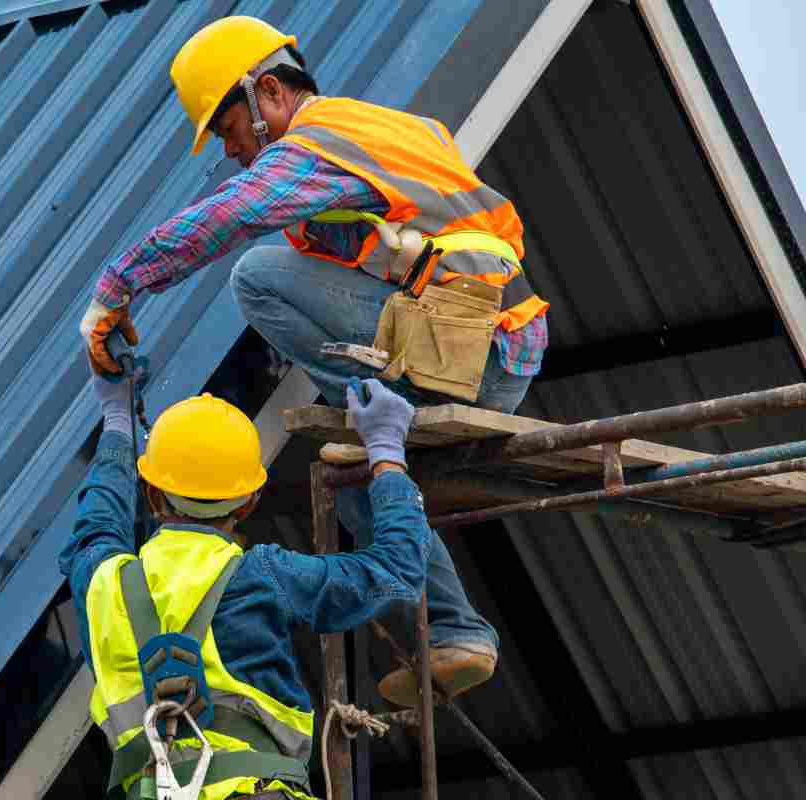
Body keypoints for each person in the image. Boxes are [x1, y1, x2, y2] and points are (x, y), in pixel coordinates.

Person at [77, 15, 519, 713]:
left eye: (230, 132)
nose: (237, 153)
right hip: (487, 345)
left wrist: (116, 288)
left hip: (471, 341)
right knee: (353, 478)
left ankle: (374, 407)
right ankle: (455, 633)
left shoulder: (319, 142)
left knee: (256, 275)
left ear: (270, 93)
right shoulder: (396, 133)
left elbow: (229, 217)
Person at [62, 370, 436, 799]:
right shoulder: (262, 576)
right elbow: (398, 569)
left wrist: (115, 417)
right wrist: (386, 451)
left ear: (151, 494)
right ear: (250, 501)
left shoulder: (101, 581)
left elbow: (96, 526)